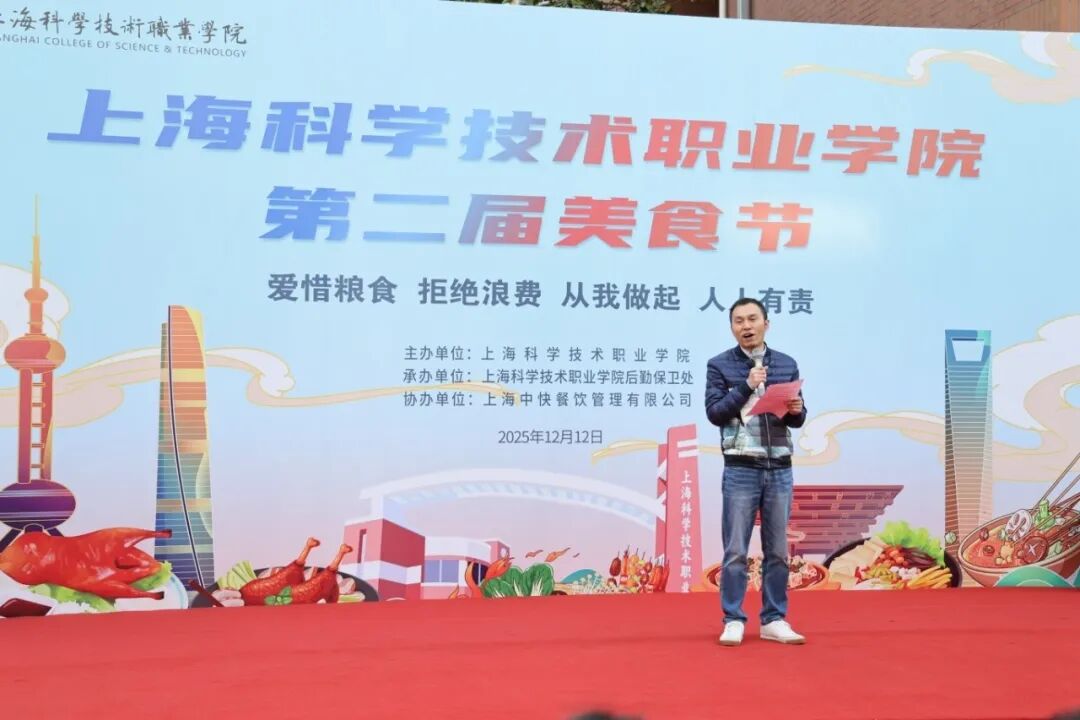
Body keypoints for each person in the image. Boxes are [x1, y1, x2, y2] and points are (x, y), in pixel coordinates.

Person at [704, 297, 807, 646]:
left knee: (777, 550)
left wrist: (797, 409)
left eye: (752, 319)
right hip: (741, 467)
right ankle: (733, 618)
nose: (746, 326)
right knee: (735, 550)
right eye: (739, 321)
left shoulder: (786, 363)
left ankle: (774, 619)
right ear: (732, 328)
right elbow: (715, 413)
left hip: (779, 467)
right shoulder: (719, 365)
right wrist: (746, 386)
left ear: (766, 323)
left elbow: (796, 420)